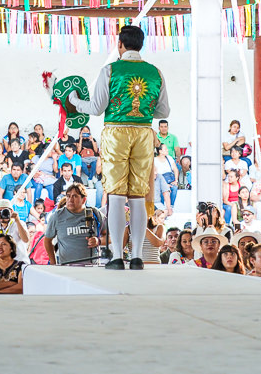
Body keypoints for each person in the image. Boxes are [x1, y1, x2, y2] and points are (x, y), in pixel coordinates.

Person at [67, 24, 170, 271]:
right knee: (137, 195)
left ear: (119, 44)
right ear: (141, 45)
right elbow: (163, 111)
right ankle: (135, 256)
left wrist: (73, 101)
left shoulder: (111, 70)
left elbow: (96, 108)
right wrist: (142, 110)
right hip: (144, 133)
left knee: (115, 194)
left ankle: (116, 257)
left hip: (116, 132)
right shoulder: (155, 72)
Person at [43, 184, 106, 266]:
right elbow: (47, 240)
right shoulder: (57, 216)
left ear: (84, 200)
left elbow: (111, 236)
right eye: (68, 196)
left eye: (75, 196)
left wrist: (99, 241)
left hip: (91, 268)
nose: (70, 200)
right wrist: (53, 263)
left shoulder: (95, 213)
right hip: (67, 268)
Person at [0, 200, 31, 264]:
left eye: (5, 211)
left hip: (19, 261)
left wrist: (17, 220)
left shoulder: (19, 223)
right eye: (0, 211)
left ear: (11, 211)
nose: (3, 214)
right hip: (3, 264)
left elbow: (26, 240)